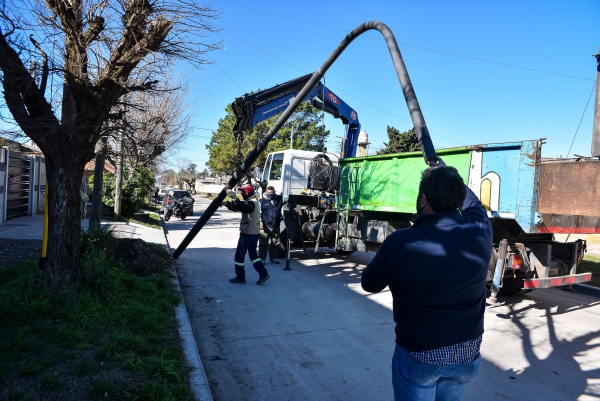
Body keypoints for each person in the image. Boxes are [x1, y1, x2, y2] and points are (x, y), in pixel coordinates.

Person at [361, 161, 492, 401]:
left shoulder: (401, 242)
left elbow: (369, 284)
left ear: (423, 200)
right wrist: (448, 174)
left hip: (421, 355)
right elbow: (474, 205)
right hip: (468, 354)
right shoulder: (480, 229)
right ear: (458, 196)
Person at [225, 184, 270, 285]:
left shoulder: (251, 203)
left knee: (239, 257)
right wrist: (227, 204)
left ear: (246, 193)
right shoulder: (254, 201)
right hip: (254, 234)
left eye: (242, 192)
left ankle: (240, 278)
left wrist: (235, 198)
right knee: (254, 256)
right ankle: (263, 274)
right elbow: (240, 207)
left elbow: (243, 207)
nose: (241, 193)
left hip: (247, 234)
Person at [259, 186, 284, 264]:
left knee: (275, 242)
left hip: (276, 225)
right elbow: (259, 213)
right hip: (266, 225)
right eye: (269, 193)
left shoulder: (279, 199)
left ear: (274, 192)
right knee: (263, 243)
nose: (271, 194)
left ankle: (274, 258)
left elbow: (287, 198)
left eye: (272, 193)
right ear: (266, 192)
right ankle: (262, 258)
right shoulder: (262, 201)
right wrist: (260, 222)